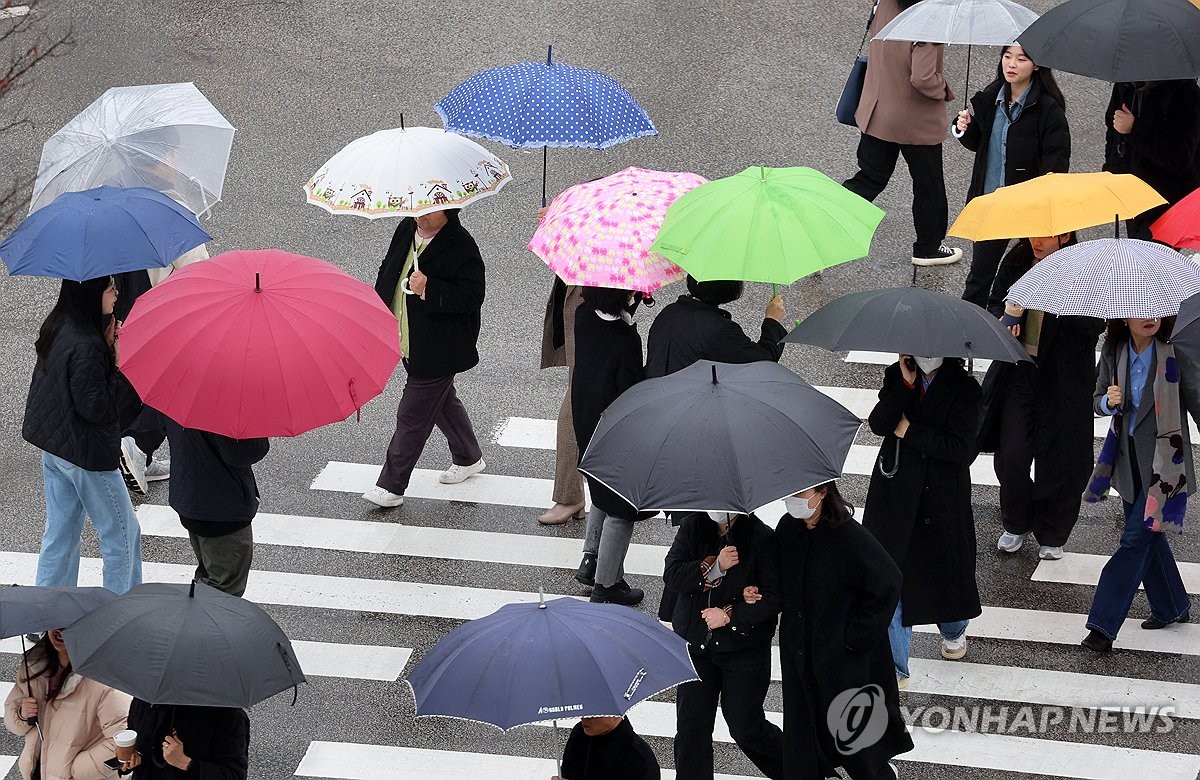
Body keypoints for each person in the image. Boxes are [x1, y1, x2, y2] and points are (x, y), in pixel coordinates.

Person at [770, 481, 911, 779]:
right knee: (805, 727)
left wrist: (855, 639)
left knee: (853, 733)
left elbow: (888, 583)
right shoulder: (787, 529)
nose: (793, 500)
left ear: (823, 494)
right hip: (801, 650)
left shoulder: (849, 537)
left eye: (800, 494)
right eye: (790, 493)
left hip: (843, 658)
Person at [862, 354, 982, 688]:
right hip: (895, 490)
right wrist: (905, 385)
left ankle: (954, 630)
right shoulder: (896, 376)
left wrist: (911, 431)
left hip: (940, 498)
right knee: (891, 579)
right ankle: (895, 669)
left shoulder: (966, 388)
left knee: (944, 575)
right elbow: (878, 424)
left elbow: (962, 450)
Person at [1081, 317, 1200, 652]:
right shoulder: (1114, 348)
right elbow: (1096, 399)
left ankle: (1102, 626)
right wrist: (1108, 401)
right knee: (1150, 536)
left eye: (1154, 310)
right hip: (1127, 459)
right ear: (1123, 316)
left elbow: (1197, 398)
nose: (1149, 318)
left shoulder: (1175, 350)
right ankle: (1172, 605)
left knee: (1135, 539)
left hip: (1165, 465)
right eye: (1139, 310)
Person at [986, 234, 1105, 559]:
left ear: (1064, 236)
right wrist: (1006, 317)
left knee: (1061, 457)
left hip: (1065, 379)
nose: (1036, 241)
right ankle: (1016, 521)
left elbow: (1095, 323)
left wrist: (1056, 299)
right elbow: (995, 302)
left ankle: (1052, 530)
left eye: (1045, 235)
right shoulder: (1017, 261)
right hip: (1020, 371)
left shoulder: (1084, 268)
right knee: (1012, 453)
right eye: (1033, 233)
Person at [23, 276, 143, 594]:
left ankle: (45, 618)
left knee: (61, 533)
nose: (116, 293)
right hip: (87, 454)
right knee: (122, 536)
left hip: (56, 447)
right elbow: (98, 409)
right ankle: (121, 616)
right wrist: (117, 362)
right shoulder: (88, 345)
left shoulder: (60, 323)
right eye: (109, 288)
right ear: (90, 292)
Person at [363, 208, 487, 508]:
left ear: (448, 210)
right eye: (417, 208)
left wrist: (429, 288)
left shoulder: (460, 244)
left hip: (439, 347)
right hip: (407, 338)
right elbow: (389, 269)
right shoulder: (406, 228)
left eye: (429, 211)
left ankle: (391, 486)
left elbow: (473, 297)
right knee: (442, 401)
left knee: (413, 414)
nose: (420, 215)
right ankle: (469, 456)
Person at [663, 510, 784, 779]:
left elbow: (774, 597)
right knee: (691, 728)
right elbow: (671, 575)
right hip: (697, 645)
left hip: (743, 651)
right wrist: (715, 566)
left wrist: (731, 615)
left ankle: (802, 772)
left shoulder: (761, 537)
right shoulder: (693, 526)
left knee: (746, 726)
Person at [844, 0, 961, 267]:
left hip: (877, 110)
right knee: (928, 184)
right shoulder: (929, 15)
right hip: (916, 119)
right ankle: (927, 248)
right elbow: (923, 78)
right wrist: (945, 89)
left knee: (869, 178)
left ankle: (825, 226)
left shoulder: (884, 3)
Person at [953, 45, 1070, 307]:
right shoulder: (991, 96)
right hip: (992, 200)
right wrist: (963, 127)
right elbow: (978, 143)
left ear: (1036, 66)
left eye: (1021, 59)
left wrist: (1043, 197)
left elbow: (1057, 158)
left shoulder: (1048, 108)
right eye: (1007, 57)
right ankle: (965, 340)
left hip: (1030, 206)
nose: (1012, 64)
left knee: (1033, 271)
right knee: (979, 277)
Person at [571, 286, 648, 606]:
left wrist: (632, 305)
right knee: (622, 504)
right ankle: (607, 584)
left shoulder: (583, 315)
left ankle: (591, 558)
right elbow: (631, 390)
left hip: (586, 419)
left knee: (600, 488)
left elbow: (611, 318)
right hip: (616, 428)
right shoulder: (626, 339)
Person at [4, 629, 132, 780]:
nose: (60, 630)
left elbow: (122, 740)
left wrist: (74, 770)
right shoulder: (33, 665)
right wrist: (21, 713)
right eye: (56, 621)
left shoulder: (104, 677)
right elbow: (13, 723)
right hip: (38, 772)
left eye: (72, 625)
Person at [165, 419, 269, 597]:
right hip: (222, 507)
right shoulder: (227, 404)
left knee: (208, 577)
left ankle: (194, 616)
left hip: (191, 496)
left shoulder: (184, 394)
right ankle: (199, 622)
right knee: (223, 590)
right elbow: (241, 454)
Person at [1103, 79, 1200, 240]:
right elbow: (1113, 133)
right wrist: (1111, 173)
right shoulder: (1126, 85)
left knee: (1153, 258)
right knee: (1136, 255)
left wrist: (1135, 129)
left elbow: (1180, 158)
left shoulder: (1186, 93)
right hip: (1132, 194)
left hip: (1168, 201)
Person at [645, 276, 785, 380]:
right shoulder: (718, 329)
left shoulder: (669, 312)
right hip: (695, 407)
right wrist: (772, 320)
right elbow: (763, 361)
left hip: (655, 396)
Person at [538, 277, 588, 525]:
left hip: (595, 312)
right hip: (588, 305)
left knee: (573, 410)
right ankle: (572, 496)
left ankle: (571, 496)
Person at [121, 700, 248, 778]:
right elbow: (134, 732)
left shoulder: (228, 715)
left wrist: (186, 763)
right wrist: (129, 757)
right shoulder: (146, 700)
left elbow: (234, 773)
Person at [551, 715, 659, 780]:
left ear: (615, 714)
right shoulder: (580, 733)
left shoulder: (641, 763)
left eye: (593, 714)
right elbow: (568, 773)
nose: (584, 718)